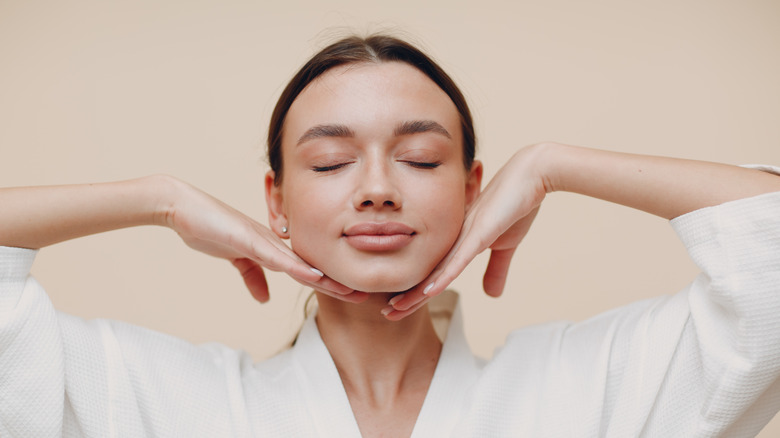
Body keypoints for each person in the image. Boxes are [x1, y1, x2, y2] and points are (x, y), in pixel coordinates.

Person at [1, 34, 779, 437]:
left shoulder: (583, 386)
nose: (377, 188)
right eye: (332, 161)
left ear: (477, 191)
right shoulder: (163, 399)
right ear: (275, 200)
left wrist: (554, 165)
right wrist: (158, 198)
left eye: (419, 157)